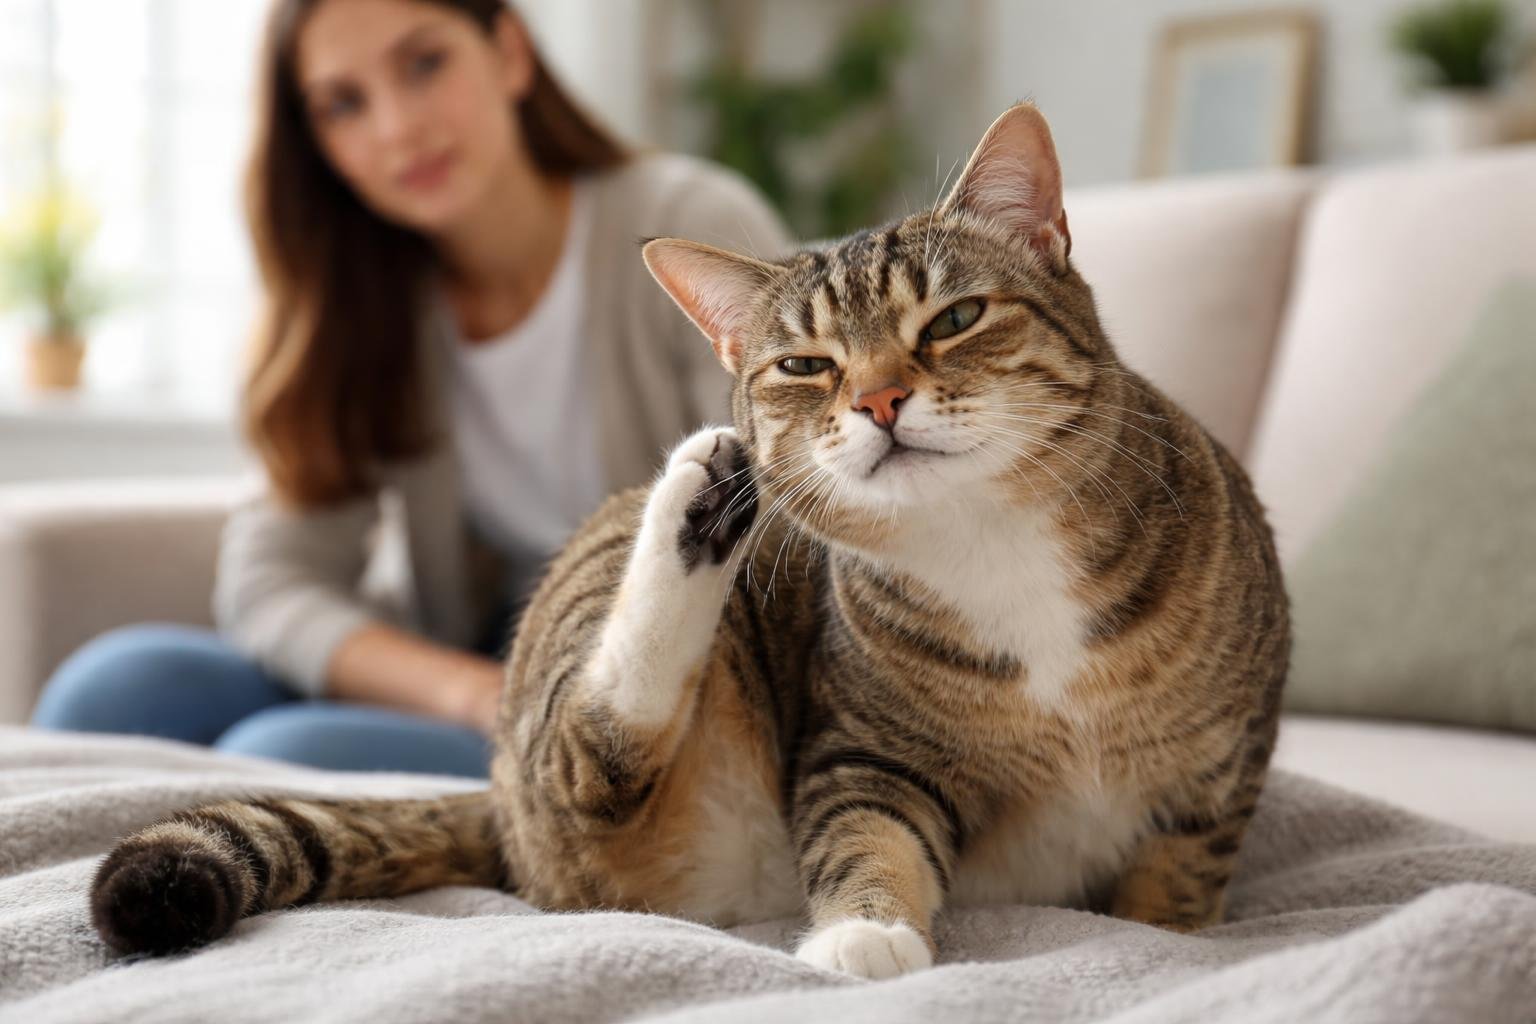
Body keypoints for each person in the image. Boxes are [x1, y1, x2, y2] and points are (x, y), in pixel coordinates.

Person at [29, 0, 791, 778]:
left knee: (280, 755)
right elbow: (272, 582)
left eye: (424, 64)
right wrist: (467, 692)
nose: (396, 127)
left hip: (669, 690)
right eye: (343, 104)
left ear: (511, 54)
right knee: (116, 687)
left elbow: (793, 525)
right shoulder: (366, 294)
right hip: (490, 665)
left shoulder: (685, 223)